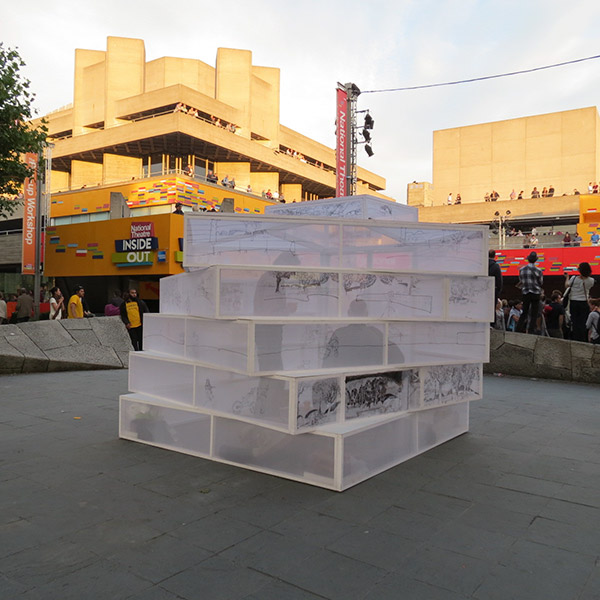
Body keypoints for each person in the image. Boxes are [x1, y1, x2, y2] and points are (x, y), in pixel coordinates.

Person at [565, 262, 595, 342]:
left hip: (574, 302)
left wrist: (567, 277)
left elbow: (567, 285)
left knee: (575, 321)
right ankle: (582, 338)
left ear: (580, 270)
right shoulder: (591, 280)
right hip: (584, 302)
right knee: (583, 322)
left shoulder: (574, 278)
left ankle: (575, 338)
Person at [516, 252, 543, 334]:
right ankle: (531, 330)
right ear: (535, 260)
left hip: (526, 292)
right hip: (535, 292)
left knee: (525, 311)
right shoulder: (538, 270)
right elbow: (540, 282)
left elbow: (521, 280)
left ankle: (518, 329)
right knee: (534, 313)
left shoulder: (522, 270)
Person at [488, 250, 503, 320]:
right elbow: (499, 280)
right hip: (493, 289)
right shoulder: (496, 266)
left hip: (482, 289)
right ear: (494, 256)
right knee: (492, 307)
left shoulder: (483, 265)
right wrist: (498, 290)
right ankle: (492, 323)